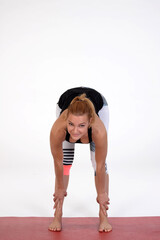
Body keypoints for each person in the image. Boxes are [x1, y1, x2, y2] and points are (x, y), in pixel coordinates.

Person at [48, 87, 112, 232]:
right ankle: (57, 214)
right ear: (66, 119)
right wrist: (59, 188)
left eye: (81, 125)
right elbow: (58, 162)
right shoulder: (59, 129)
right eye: (71, 124)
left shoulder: (98, 129)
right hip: (65, 100)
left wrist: (102, 193)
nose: (75, 130)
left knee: (97, 163)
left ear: (90, 122)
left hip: (99, 105)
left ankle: (103, 216)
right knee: (66, 162)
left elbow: (101, 166)